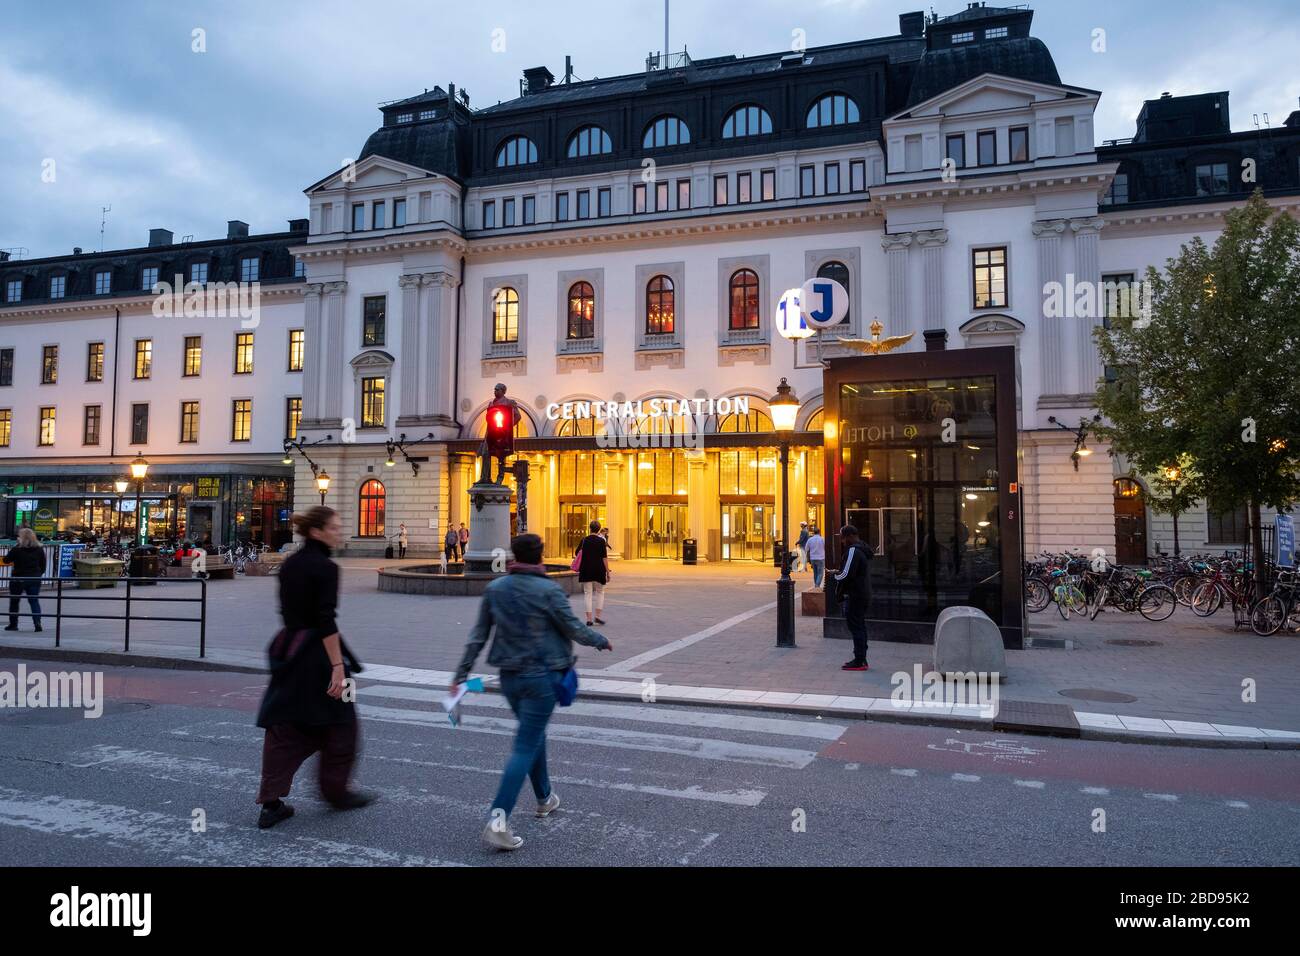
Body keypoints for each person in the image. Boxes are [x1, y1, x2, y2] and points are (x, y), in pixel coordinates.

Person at [452, 533, 612, 851]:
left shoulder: (496, 588)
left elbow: (477, 636)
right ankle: (497, 822)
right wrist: (599, 641)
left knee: (533, 734)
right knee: (525, 745)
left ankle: (544, 797)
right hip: (541, 677)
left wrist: (461, 675)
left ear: (514, 554)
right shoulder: (549, 589)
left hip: (510, 678)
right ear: (540, 556)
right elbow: (574, 627)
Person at [254, 506, 374, 829]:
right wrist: (337, 665)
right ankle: (336, 791)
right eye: (334, 527)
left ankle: (270, 801)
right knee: (341, 724)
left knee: (284, 726)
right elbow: (325, 621)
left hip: (289, 649)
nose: (339, 532)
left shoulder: (290, 564)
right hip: (318, 654)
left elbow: (290, 611)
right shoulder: (326, 568)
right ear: (317, 532)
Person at [830, 524, 871, 671]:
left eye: (843, 537)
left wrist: (834, 574)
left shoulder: (853, 550)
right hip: (862, 594)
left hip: (855, 595)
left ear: (850, 537)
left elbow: (846, 574)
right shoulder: (862, 549)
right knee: (859, 626)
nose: (842, 541)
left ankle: (859, 660)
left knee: (856, 627)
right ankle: (861, 658)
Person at [3, 528, 46, 632]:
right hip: (34, 578)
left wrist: (15, 547)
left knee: (14, 601)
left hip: (18, 578)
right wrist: (38, 574)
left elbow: (6, 560)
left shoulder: (17, 549)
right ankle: (37, 623)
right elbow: (43, 565)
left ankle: (13, 624)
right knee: (34, 601)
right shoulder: (39, 549)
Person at [575, 519, 610, 626]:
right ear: (599, 529)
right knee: (600, 592)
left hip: (586, 569)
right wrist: (608, 572)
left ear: (590, 528)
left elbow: (577, 552)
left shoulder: (584, 540)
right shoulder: (601, 541)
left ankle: (589, 619)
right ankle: (597, 617)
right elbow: (604, 558)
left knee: (587, 593)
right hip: (599, 569)